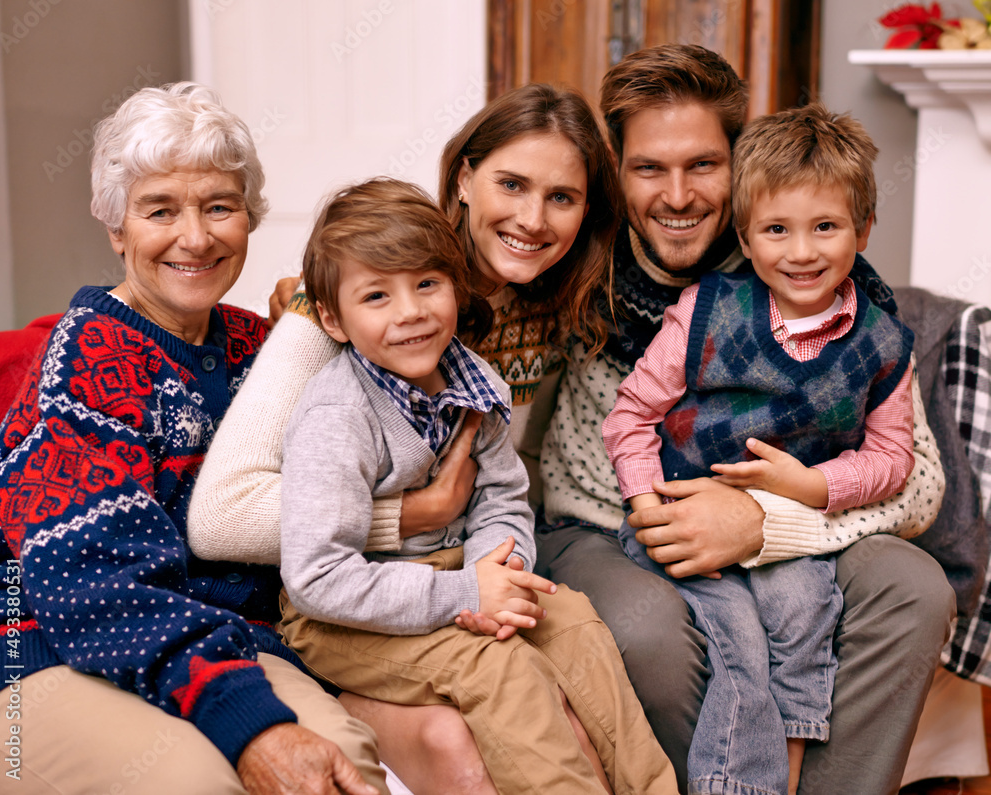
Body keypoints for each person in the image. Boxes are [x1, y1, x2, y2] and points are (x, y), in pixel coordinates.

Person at [535, 44, 954, 794]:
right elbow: (448, 282)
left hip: (797, 515)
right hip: (602, 523)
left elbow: (917, 487)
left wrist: (766, 521)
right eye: (649, 168)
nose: (677, 195)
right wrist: (317, 297)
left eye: (702, 165)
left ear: (742, 164)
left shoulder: (814, 277)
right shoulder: (573, 264)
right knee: (646, 627)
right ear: (615, 172)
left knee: (915, 589)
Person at [188, 82, 626, 793]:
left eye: (562, 198)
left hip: (463, 562)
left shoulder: (556, 304)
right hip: (343, 600)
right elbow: (221, 517)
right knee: (485, 723)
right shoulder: (345, 294)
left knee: (574, 682)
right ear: (464, 178)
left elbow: (515, 476)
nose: (532, 218)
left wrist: (495, 560)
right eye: (511, 184)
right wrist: (414, 514)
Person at [0, 82, 386, 795]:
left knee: (343, 768)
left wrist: (316, 317)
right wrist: (248, 719)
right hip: (42, 644)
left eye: (219, 207)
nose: (196, 237)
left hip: (218, 640)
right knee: (196, 783)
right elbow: (93, 582)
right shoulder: (89, 354)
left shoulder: (259, 347)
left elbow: (356, 463)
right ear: (117, 229)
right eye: (160, 210)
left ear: (249, 217)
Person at [277, 177, 674, 794]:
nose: (410, 312)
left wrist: (500, 569)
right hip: (344, 617)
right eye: (377, 296)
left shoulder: (472, 379)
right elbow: (318, 580)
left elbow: (502, 496)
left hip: (456, 575)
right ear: (332, 317)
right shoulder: (339, 415)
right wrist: (468, 593)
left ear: (455, 289)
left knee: (571, 621)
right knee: (501, 667)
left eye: (427, 285)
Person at [601, 103, 917, 795]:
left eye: (826, 227)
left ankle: (790, 780)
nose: (801, 252)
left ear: (863, 229)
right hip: (680, 517)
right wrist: (649, 503)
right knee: (738, 639)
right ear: (745, 235)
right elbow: (628, 416)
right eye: (777, 229)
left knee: (807, 619)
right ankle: (735, 786)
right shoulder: (705, 312)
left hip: (787, 534)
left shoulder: (883, 344)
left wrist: (813, 488)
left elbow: (896, 459)